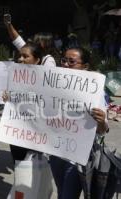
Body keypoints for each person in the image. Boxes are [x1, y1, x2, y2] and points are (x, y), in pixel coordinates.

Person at [49, 47, 109, 199]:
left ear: (85, 66)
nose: (66, 64)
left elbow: (102, 131)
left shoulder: (95, 91)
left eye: (72, 61)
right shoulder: (52, 85)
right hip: (56, 152)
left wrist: (101, 121)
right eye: (64, 60)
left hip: (77, 157)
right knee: (61, 191)